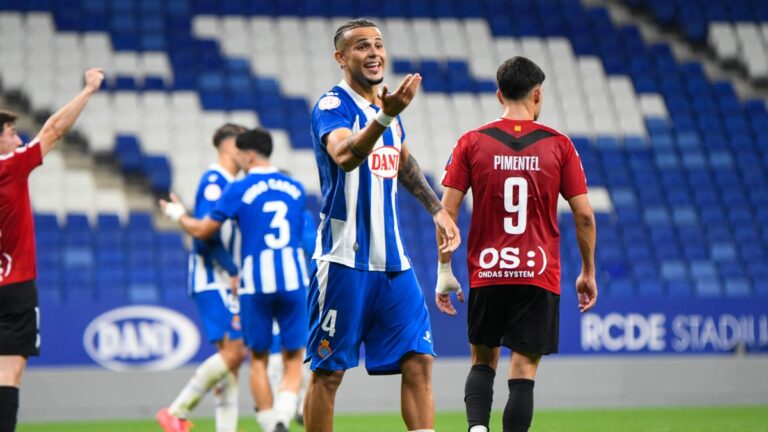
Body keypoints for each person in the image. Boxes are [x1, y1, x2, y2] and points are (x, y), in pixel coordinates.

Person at [303, 19, 460, 432]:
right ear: (341, 58)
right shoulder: (332, 106)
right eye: (360, 47)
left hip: (393, 264)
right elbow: (345, 155)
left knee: (420, 360)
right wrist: (386, 118)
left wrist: (437, 209)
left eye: (378, 44)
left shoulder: (386, 110)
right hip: (342, 261)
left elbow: (403, 162)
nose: (373, 52)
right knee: (329, 373)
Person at [435, 56, 598, 432]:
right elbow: (585, 215)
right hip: (537, 274)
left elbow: (446, 212)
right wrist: (587, 270)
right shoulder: (559, 145)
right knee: (523, 370)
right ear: (537, 95)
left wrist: (444, 270)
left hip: (489, 271)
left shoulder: (471, 142)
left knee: (482, 361)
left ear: (498, 95)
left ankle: (477, 428)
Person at [161, 128, 309, 432]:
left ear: (249, 154)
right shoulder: (291, 186)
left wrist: (177, 215)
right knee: (242, 353)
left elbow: (203, 231)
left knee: (247, 357)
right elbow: (206, 243)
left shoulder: (238, 187)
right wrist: (229, 268)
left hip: (250, 281)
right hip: (236, 277)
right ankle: (177, 411)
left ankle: (247, 424)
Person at [0, 68, 104, 431]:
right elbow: (55, 129)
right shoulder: (10, 167)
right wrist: (88, 90)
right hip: (14, 285)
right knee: (9, 373)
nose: (18, 137)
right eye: (11, 133)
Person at [156, 124, 248, 432]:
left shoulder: (231, 182)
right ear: (227, 147)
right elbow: (203, 235)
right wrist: (232, 270)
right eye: (242, 144)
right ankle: (175, 412)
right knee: (235, 353)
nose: (247, 151)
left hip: (223, 279)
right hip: (213, 278)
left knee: (229, 363)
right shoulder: (214, 182)